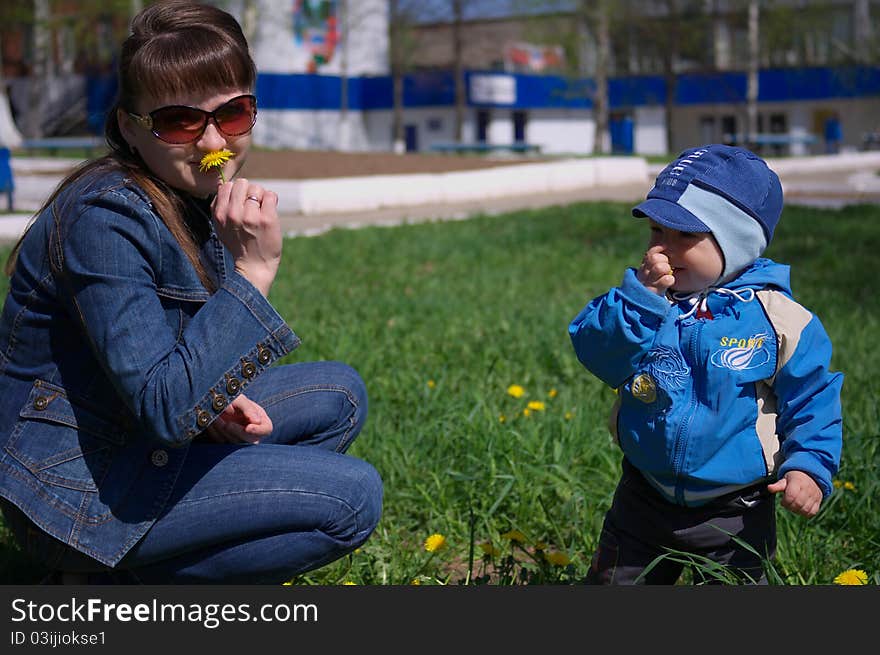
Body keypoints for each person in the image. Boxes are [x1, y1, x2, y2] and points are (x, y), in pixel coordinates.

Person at [0, 1, 382, 584]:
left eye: (233, 114)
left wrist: (210, 406)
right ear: (130, 126)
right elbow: (163, 404)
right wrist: (252, 272)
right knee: (353, 498)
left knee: (338, 395)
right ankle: (111, 587)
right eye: (179, 122)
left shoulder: (185, 197)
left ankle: (153, 561)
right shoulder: (105, 218)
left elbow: (160, 369)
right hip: (73, 488)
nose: (211, 142)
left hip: (129, 437)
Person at [568, 144, 843, 584]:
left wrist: (808, 464)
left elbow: (813, 397)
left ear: (735, 243)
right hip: (643, 493)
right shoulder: (643, 302)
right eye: (657, 231)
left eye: (683, 236)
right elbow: (597, 353)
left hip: (736, 509)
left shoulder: (777, 319)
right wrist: (640, 303)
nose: (663, 248)